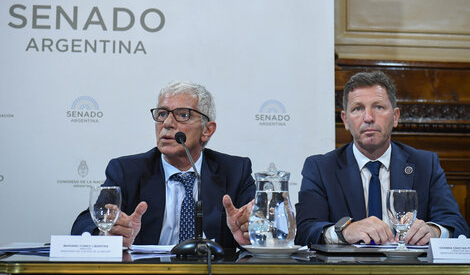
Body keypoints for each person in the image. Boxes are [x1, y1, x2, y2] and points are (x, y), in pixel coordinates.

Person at [72, 81, 255, 249]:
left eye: (183, 115)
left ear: (207, 130)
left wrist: (252, 230)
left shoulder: (235, 171)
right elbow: (85, 223)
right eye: (162, 114)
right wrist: (106, 232)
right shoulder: (126, 171)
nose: (167, 123)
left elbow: (259, 223)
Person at [295, 71, 469, 246]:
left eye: (378, 107)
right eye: (358, 109)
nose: (369, 118)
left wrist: (434, 231)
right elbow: (305, 231)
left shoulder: (425, 164)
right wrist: (344, 231)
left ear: (395, 117)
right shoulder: (320, 168)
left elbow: (457, 225)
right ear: (345, 120)